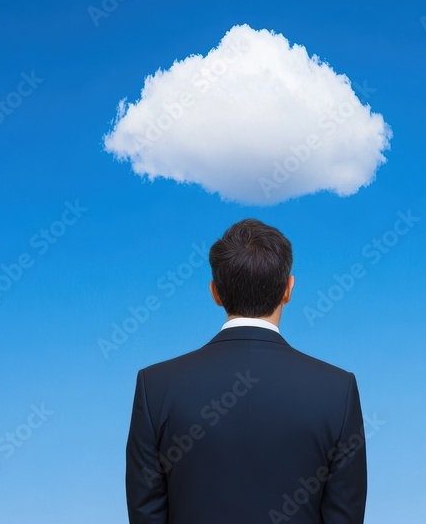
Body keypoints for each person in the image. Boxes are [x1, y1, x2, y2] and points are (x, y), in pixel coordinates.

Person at [125, 218, 367, 523]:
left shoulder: (155, 387)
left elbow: (145, 513)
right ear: (288, 289)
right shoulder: (337, 391)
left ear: (215, 292)